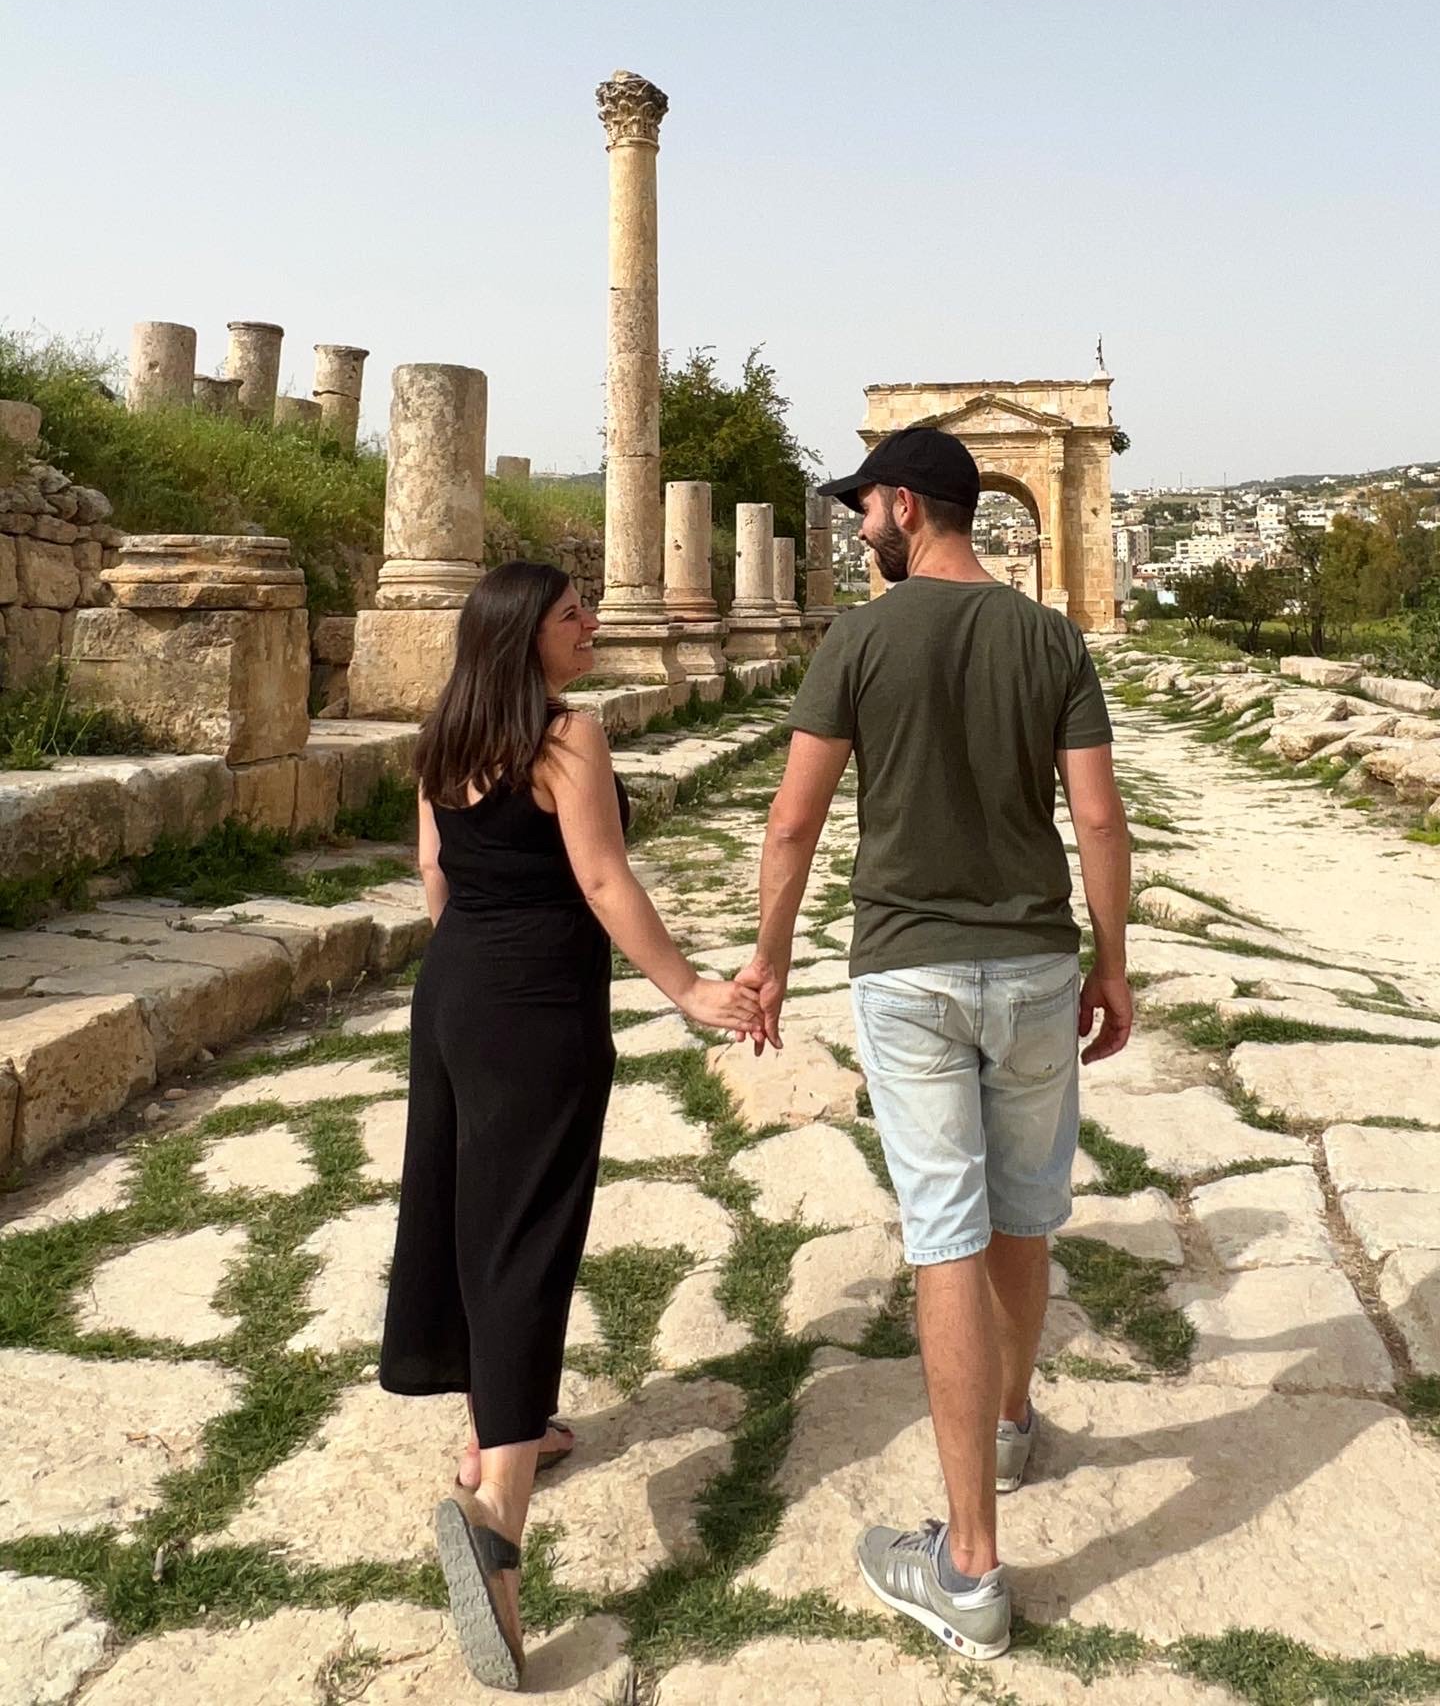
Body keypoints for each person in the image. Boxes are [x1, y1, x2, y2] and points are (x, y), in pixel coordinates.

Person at [736, 426, 1132, 1660]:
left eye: (865, 510)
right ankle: (1012, 1419)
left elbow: (795, 825)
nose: (860, 529)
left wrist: (768, 958)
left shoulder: (859, 639)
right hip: (1031, 963)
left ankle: (966, 1565)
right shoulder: (1049, 634)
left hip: (907, 970)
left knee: (946, 1235)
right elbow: (1101, 817)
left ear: (906, 506)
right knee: (1023, 1212)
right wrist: (1113, 961)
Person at [379, 561, 763, 1690]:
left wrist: (469, 965)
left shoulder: (446, 735)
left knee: (465, 1210)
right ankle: (497, 1514)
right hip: (538, 1004)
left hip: (453, 992)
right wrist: (690, 988)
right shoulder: (567, 739)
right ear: (523, 636)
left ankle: (500, 1421)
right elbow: (604, 881)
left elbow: (436, 882)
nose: (592, 624)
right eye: (571, 614)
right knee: (530, 1228)